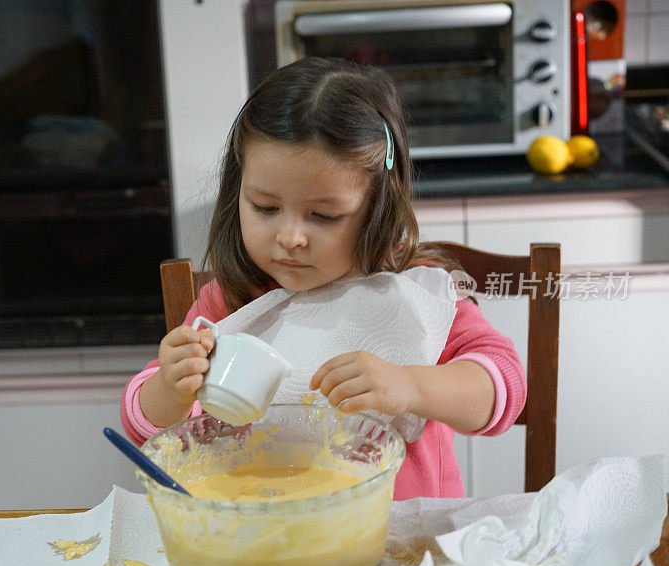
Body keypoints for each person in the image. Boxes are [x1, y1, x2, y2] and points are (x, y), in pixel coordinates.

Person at [120, 57, 525, 500]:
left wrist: (411, 386)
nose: (291, 237)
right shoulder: (232, 300)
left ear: (378, 208)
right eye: (265, 208)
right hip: (268, 533)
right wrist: (169, 389)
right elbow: (143, 426)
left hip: (407, 538)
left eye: (324, 215)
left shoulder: (414, 294)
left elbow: (504, 385)